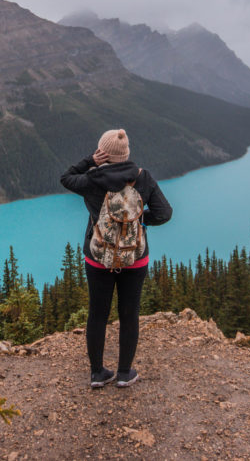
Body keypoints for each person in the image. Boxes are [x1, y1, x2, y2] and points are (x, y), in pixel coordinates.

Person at [59, 128, 172, 388]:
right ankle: (124, 373)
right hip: (135, 258)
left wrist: (89, 161)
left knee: (97, 314)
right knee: (129, 313)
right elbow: (165, 213)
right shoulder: (143, 178)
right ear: (126, 153)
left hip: (98, 258)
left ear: (103, 153)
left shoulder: (92, 180)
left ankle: (97, 373)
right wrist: (139, 221)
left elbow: (66, 178)